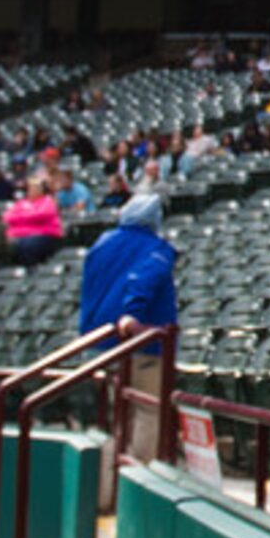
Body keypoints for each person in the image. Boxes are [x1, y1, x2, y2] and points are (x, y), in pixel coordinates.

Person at [80, 192, 180, 454]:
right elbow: (142, 280)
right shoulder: (156, 248)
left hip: (102, 345)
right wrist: (132, 315)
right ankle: (136, 482)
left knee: (120, 417)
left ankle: (110, 486)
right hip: (139, 346)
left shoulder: (101, 244)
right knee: (149, 411)